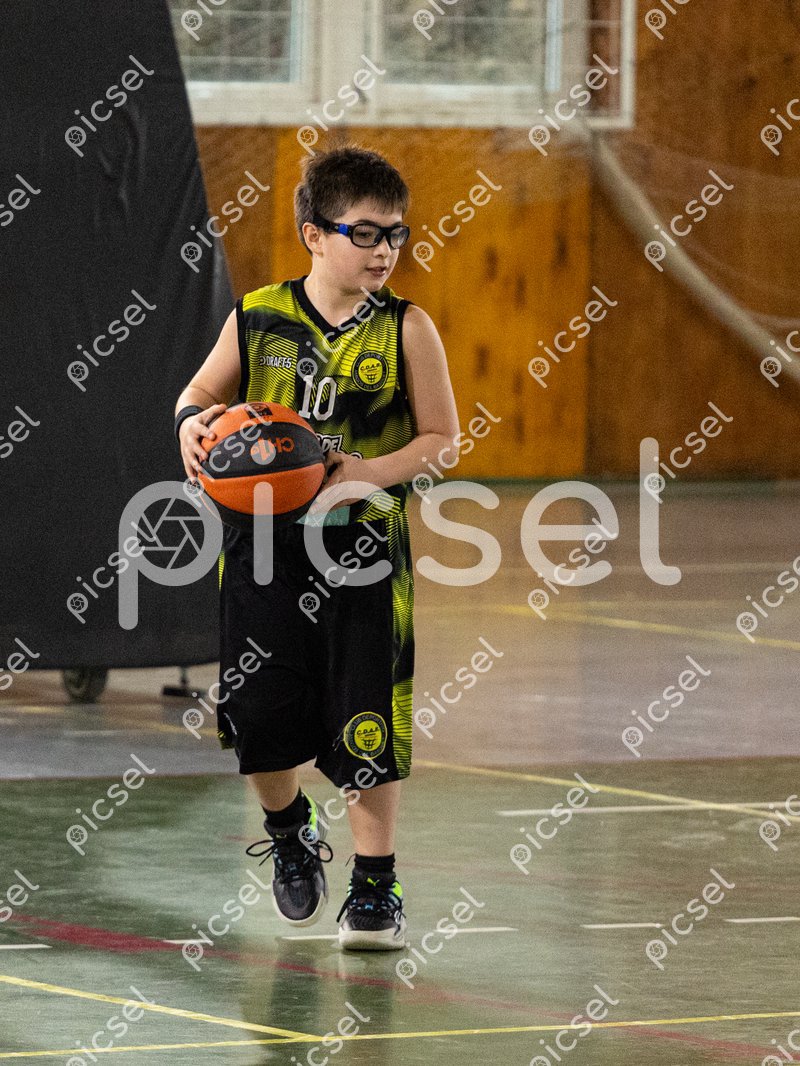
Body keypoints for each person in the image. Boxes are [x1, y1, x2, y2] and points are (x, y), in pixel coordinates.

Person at [174, 146, 459, 950]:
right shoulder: (259, 316)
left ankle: (375, 886)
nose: (383, 249)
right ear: (314, 234)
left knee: (366, 717)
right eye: (364, 232)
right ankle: (289, 830)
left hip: (363, 552)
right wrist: (190, 427)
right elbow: (199, 394)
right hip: (261, 549)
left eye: (395, 234)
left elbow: (442, 438)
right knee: (259, 713)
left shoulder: (407, 327)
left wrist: (371, 471)